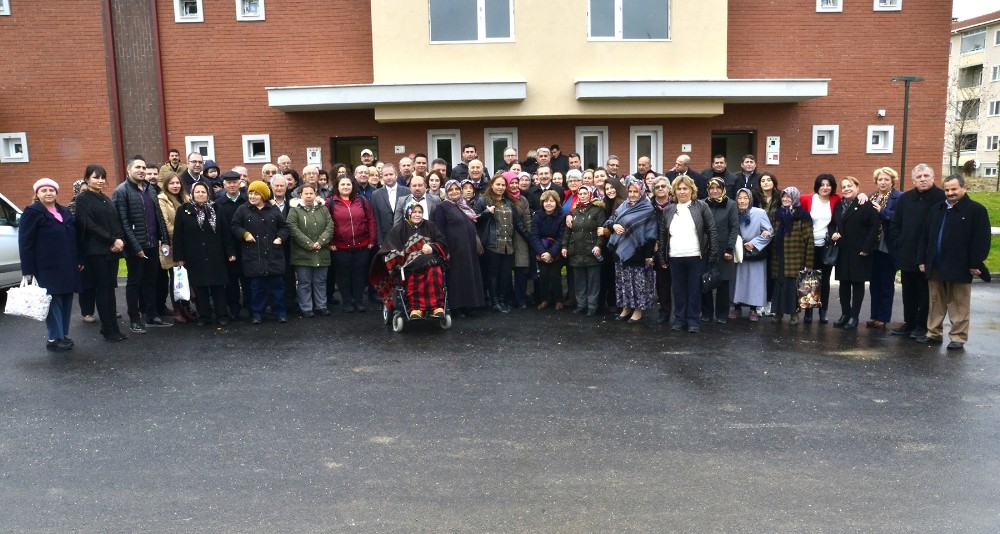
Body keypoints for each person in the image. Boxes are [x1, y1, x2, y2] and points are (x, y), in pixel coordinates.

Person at [915, 175, 991, 350]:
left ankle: (958, 337)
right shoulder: (937, 209)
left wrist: (975, 263)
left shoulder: (976, 210)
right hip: (935, 264)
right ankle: (933, 333)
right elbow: (925, 237)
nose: (950, 193)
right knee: (935, 302)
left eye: (954, 189)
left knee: (958, 303)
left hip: (960, 265)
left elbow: (981, 240)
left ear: (964, 188)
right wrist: (922, 260)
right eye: (947, 189)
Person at [18, 179, 82, 351]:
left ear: (56, 193)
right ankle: (54, 339)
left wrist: (79, 260)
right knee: (53, 301)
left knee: (67, 299)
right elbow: (25, 243)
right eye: (44, 190)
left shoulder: (64, 211)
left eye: (51, 190)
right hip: (46, 267)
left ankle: (63, 334)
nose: (48, 193)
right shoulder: (32, 212)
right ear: (37, 194)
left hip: (67, 265)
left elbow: (73, 239)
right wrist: (28, 270)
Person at [113, 157, 172, 333]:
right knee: (134, 283)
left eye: (143, 167)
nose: (141, 170)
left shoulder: (149, 189)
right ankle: (135, 320)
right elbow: (122, 222)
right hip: (135, 246)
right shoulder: (121, 191)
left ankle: (152, 315)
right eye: (137, 167)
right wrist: (135, 246)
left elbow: (158, 216)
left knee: (151, 281)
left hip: (153, 243)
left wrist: (165, 240)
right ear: (129, 169)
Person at [889, 164, 946, 339]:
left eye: (926, 175)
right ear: (913, 180)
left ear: (933, 178)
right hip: (907, 252)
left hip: (930, 254)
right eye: (919, 176)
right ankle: (910, 323)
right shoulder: (906, 198)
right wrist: (898, 242)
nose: (922, 179)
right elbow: (895, 224)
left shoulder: (941, 197)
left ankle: (922, 325)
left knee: (926, 292)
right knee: (909, 291)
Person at [73, 165, 127, 342]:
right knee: (103, 290)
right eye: (96, 177)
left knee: (110, 290)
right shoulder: (82, 199)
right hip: (96, 251)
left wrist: (119, 240)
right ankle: (109, 329)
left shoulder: (105, 198)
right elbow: (89, 225)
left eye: (103, 177)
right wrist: (111, 240)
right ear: (87, 179)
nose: (100, 181)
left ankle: (112, 328)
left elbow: (115, 221)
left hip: (112, 250)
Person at [657, 175, 718, 332]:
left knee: (694, 290)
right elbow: (663, 235)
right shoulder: (669, 210)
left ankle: (693, 321)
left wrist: (712, 255)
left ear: (692, 190)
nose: (682, 192)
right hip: (675, 256)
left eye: (685, 188)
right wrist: (662, 257)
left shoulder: (702, 207)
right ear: (674, 191)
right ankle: (679, 320)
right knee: (678, 291)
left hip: (696, 256)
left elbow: (711, 231)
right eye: (679, 189)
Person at [172, 182, 234, 326]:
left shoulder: (217, 209)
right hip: (194, 255)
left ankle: (222, 315)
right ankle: (204, 316)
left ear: (208, 194)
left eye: (203, 192)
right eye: (197, 192)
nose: (200, 194)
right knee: (200, 288)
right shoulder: (183, 210)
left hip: (216, 255)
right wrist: (179, 257)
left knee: (218, 287)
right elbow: (178, 236)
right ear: (192, 194)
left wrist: (230, 252)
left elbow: (226, 233)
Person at [374, 202, 449, 319]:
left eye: (420, 212)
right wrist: (403, 255)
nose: (417, 215)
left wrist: (433, 247)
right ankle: (416, 308)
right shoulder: (399, 228)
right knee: (414, 275)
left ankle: (436, 307)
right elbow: (390, 248)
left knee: (435, 271)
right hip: (409, 266)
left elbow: (442, 243)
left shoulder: (430, 225)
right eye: (414, 212)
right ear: (408, 213)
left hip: (431, 262)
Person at [232, 181, 290, 325]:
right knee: (257, 288)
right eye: (250, 193)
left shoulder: (273, 209)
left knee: (277, 288)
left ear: (263, 195)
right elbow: (235, 226)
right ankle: (257, 314)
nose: (252, 196)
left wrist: (280, 238)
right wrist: (244, 234)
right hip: (254, 256)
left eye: (256, 193)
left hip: (273, 256)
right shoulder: (242, 209)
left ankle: (280, 313)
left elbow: (285, 227)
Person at [827, 176, 879, 330]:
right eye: (843, 187)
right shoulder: (838, 205)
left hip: (859, 251)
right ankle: (845, 314)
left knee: (857, 284)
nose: (846, 189)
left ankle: (854, 317)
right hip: (843, 250)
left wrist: (866, 248)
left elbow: (874, 227)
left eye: (850, 186)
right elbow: (832, 224)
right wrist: (832, 234)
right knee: (843, 283)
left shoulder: (865, 204)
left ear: (857, 187)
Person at [603, 178, 657, 323]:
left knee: (637, 283)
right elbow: (610, 221)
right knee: (623, 281)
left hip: (639, 252)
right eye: (630, 191)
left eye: (635, 191)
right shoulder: (623, 206)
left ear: (641, 191)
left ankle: (638, 310)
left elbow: (651, 234)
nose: (632, 194)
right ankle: (626, 308)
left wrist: (649, 256)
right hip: (621, 251)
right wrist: (613, 226)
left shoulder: (647, 208)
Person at [475, 174, 530, 313]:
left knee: (505, 275)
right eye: (498, 184)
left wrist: (531, 239)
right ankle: (495, 302)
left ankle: (502, 299)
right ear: (492, 185)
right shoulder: (483, 200)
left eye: (503, 185)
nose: (500, 187)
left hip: (508, 245)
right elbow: (474, 219)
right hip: (492, 244)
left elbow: (518, 223)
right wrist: (487, 212)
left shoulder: (509, 202)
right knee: (493, 274)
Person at [432, 179, 485, 317]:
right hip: (454, 249)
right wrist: (445, 249)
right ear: (447, 192)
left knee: (469, 276)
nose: (454, 192)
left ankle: (469, 305)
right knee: (456, 278)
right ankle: (456, 307)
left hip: (468, 248)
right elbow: (439, 230)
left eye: (457, 189)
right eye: (451, 190)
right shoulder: (442, 207)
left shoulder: (464, 205)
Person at [327, 175, 376, 313]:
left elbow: (370, 220)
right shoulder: (331, 202)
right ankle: (347, 302)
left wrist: (372, 240)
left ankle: (358, 301)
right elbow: (327, 223)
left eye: (348, 184)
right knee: (344, 275)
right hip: (340, 246)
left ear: (352, 186)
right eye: (342, 184)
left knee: (359, 275)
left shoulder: (362, 200)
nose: (345, 187)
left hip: (362, 245)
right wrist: (330, 242)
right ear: (337, 187)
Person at [287, 184, 334, 318]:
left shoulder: (323, 209)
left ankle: (321, 306)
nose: (308, 196)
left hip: (321, 251)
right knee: (304, 282)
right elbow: (292, 228)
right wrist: (309, 244)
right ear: (300, 195)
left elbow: (330, 226)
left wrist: (321, 241)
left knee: (320, 281)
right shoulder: (294, 210)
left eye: (311, 193)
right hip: (302, 253)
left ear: (315, 194)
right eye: (305, 193)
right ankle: (306, 307)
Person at [799, 174, 841, 324]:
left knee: (824, 280)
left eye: (828, 185)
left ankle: (823, 311)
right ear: (817, 186)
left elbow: (853, 198)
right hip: (809, 245)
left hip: (826, 245)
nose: (825, 187)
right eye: (822, 184)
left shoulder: (836, 199)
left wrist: (862, 194)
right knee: (809, 279)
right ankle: (808, 311)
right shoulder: (806, 199)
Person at [769, 187, 814, 325]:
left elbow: (809, 240)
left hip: (796, 258)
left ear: (795, 198)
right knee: (779, 286)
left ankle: (794, 315)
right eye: (783, 197)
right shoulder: (778, 214)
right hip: (779, 258)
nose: (785, 199)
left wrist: (809, 263)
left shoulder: (803, 216)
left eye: (789, 197)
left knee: (793, 287)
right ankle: (778, 313)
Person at [561, 185, 607, 316]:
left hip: (592, 251)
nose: (582, 195)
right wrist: (564, 246)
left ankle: (592, 306)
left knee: (593, 281)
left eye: (585, 193)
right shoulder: (574, 212)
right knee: (579, 281)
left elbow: (601, 230)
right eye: (580, 193)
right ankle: (581, 305)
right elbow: (567, 232)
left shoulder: (598, 211)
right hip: (576, 251)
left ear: (590, 194)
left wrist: (599, 245)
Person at [867, 167, 903, 328]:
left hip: (888, 246)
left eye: (886, 179)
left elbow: (900, 218)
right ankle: (874, 315)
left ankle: (883, 317)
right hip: (872, 246)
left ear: (892, 181)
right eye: (880, 179)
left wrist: (882, 211)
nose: (883, 182)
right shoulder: (871, 197)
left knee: (886, 284)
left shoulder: (899, 198)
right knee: (874, 283)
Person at [731, 188, 773, 321]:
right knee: (738, 280)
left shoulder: (759, 213)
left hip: (754, 252)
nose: (742, 201)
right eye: (739, 198)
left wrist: (754, 243)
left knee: (755, 282)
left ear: (750, 199)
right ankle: (736, 307)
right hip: (737, 251)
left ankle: (753, 309)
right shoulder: (733, 212)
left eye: (745, 198)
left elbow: (769, 232)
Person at [214, 171, 250, 321]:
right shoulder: (218, 204)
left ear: (240, 184)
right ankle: (234, 309)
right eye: (229, 183)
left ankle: (250, 308)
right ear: (224, 185)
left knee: (248, 279)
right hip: (228, 248)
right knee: (232, 282)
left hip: (247, 246)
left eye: (235, 182)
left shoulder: (247, 201)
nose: (232, 185)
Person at [702, 177, 739, 323]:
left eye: (717, 188)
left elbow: (734, 228)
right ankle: (706, 313)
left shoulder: (730, 205)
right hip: (706, 249)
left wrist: (729, 249)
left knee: (723, 283)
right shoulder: (703, 204)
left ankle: (722, 315)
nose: (714, 191)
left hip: (724, 250)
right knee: (705, 281)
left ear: (723, 189)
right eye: (711, 188)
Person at [158, 172, 191, 323]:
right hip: (172, 244)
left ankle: (186, 308)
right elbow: (166, 223)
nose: (175, 186)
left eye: (177, 183)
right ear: (166, 185)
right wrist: (181, 237)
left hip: (187, 244)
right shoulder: (162, 199)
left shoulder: (185, 198)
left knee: (186, 277)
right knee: (176, 277)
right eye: (171, 183)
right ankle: (177, 310)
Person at [531, 190, 566, 310]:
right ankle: (544, 299)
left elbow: (562, 237)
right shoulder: (537, 216)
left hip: (556, 249)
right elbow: (534, 236)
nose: (549, 204)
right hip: (542, 249)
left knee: (555, 275)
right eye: (546, 201)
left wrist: (551, 253)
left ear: (556, 202)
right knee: (544, 275)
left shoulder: (562, 216)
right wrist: (543, 253)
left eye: (551, 201)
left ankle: (559, 300)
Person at [649, 175, 673, 324]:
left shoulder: (676, 204)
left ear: (669, 188)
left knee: (678, 284)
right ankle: (664, 313)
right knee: (662, 285)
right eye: (657, 187)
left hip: (676, 248)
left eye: (663, 186)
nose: (660, 189)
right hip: (657, 249)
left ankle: (682, 314)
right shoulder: (649, 206)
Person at [506, 172, 533, 309]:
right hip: (507, 238)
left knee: (521, 270)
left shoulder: (523, 200)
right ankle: (509, 298)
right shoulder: (502, 199)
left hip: (521, 238)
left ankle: (521, 299)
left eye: (516, 182)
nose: (515, 185)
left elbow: (527, 220)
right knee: (506, 270)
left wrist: (530, 237)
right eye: (512, 183)